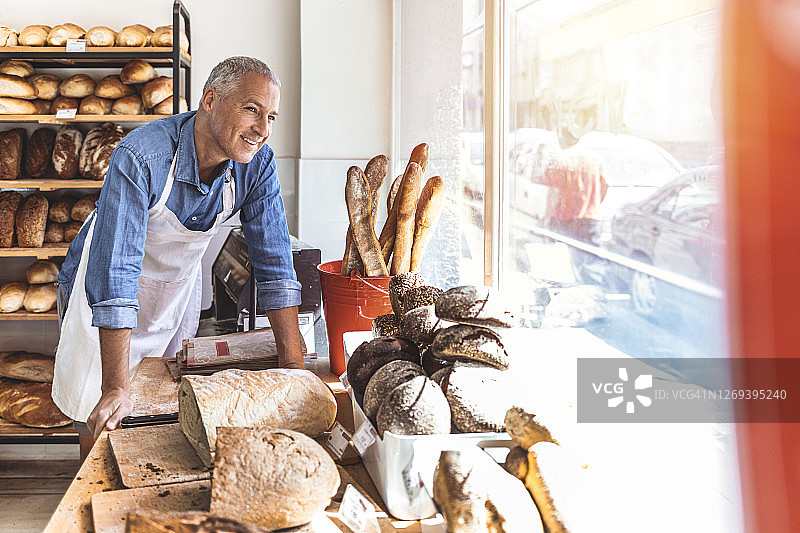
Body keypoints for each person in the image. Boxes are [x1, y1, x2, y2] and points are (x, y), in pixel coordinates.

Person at [52, 57, 304, 452]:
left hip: (172, 297)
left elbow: (274, 264)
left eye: (270, 116)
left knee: (163, 411)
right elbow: (116, 272)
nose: (263, 129)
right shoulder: (142, 156)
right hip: (102, 298)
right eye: (252, 110)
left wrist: (293, 369)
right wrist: (115, 386)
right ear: (210, 100)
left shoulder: (256, 164)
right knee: (101, 414)